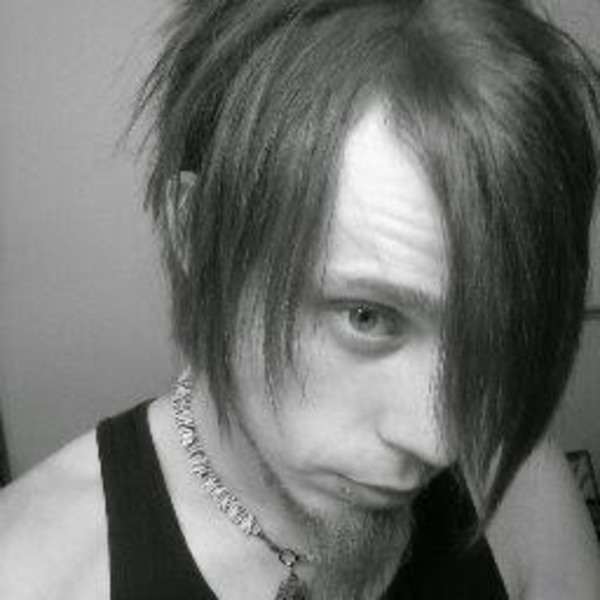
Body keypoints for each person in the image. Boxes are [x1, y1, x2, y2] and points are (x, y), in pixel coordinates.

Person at [1, 0, 600, 598]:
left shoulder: (518, 481)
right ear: (198, 234)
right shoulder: (29, 574)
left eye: (486, 334)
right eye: (366, 316)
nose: (440, 442)